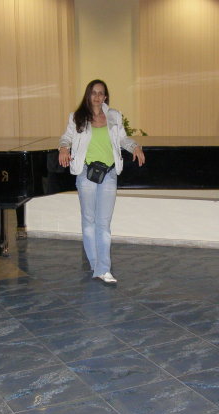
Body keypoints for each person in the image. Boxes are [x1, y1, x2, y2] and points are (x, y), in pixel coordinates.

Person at [58, 79, 145, 283]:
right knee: (89, 221)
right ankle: (95, 264)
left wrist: (135, 146)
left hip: (109, 173)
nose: (97, 96)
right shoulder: (77, 117)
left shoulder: (114, 116)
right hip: (86, 173)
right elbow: (66, 138)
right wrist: (63, 148)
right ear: (88, 95)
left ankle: (103, 268)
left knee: (103, 223)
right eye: (94, 92)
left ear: (105, 96)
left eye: (101, 93)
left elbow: (123, 139)